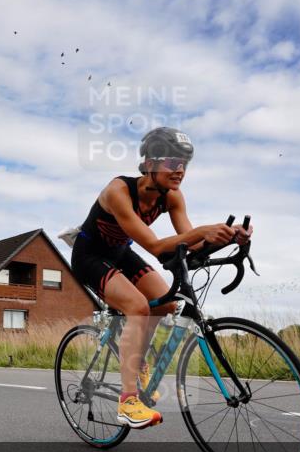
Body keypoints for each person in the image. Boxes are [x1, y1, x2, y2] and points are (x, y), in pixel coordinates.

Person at [70, 127, 252, 428]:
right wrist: (202, 230)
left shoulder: (173, 197)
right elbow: (155, 247)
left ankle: (137, 359)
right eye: (172, 162)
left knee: (167, 304)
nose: (179, 170)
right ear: (150, 163)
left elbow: (190, 243)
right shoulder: (118, 191)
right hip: (90, 255)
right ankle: (128, 402)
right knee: (137, 306)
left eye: (184, 164)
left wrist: (229, 238)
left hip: (120, 253)